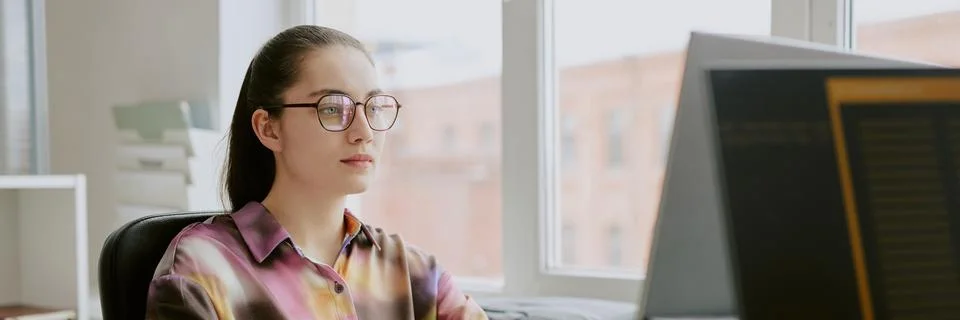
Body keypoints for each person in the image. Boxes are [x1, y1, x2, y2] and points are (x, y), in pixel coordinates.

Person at [144, 25, 489, 320]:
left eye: (374, 107)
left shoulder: (410, 271)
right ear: (269, 129)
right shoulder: (201, 271)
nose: (364, 132)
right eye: (333, 108)